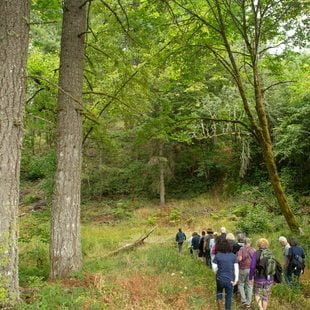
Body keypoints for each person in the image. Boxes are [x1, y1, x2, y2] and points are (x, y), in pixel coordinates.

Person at [212, 239, 239, 310]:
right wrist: (236, 280)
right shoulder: (233, 256)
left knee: (219, 292)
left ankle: (220, 308)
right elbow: (236, 269)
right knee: (228, 297)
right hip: (230, 280)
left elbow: (214, 268)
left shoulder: (218, 255)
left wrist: (218, 272)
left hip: (219, 278)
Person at [249, 238, 274, 310]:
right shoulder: (270, 253)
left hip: (259, 278)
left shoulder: (256, 253)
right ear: (267, 244)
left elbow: (252, 267)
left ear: (258, 245)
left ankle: (260, 308)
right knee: (265, 297)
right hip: (269, 278)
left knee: (257, 293)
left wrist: (251, 278)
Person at [237, 238, 256, 308]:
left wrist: (236, 259)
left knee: (241, 284)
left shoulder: (241, 249)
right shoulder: (254, 250)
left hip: (243, 269)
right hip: (251, 270)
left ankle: (243, 300)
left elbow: (239, 259)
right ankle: (248, 303)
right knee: (249, 285)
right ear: (250, 243)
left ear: (244, 243)